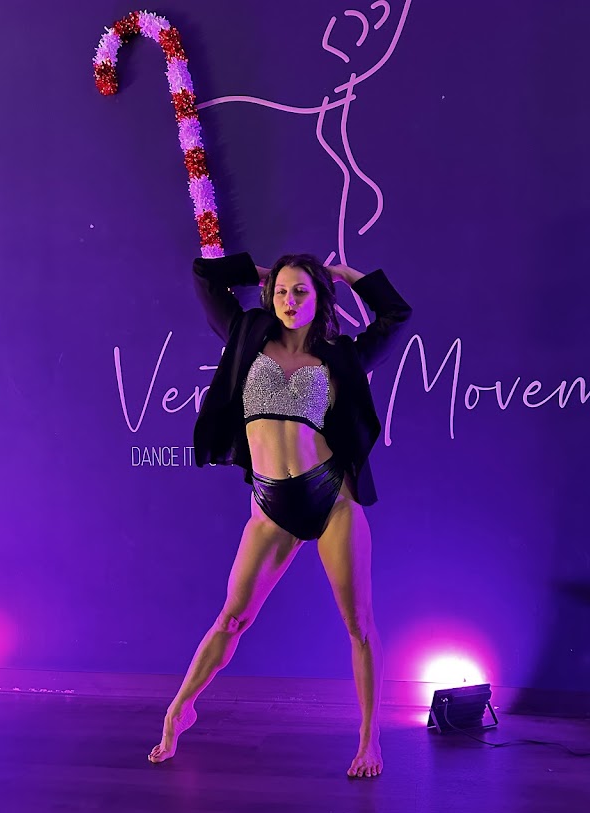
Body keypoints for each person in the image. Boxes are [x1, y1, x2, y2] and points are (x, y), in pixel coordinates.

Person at [148, 250, 411, 777]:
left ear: (319, 298)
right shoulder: (246, 334)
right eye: (283, 292)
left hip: (331, 498)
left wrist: (345, 275)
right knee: (233, 618)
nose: (290, 301)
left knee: (359, 624)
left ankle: (369, 740)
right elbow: (205, 276)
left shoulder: (340, 355)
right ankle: (179, 711)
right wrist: (263, 274)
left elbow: (395, 316)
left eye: (301, 291)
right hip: (270, 505)